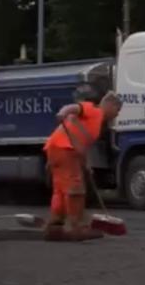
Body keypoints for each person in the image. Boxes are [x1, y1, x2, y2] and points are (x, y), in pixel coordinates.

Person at [43, 92, 123, 241]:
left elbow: (82, 143)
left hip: (56, 148)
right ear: (111, 105)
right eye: (117, 110)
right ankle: (77, 226)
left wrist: (86, 163)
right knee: (76, 188)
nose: (117, 114)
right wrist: (64, 111)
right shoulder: (95, 111)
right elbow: (74, 107)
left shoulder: (96, 120)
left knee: (60, 189)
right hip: (65, 148)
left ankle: (55, 226)